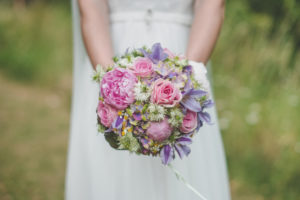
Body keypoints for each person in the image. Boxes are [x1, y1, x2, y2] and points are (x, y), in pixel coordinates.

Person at [66, 0, 231, 199]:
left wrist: (187, 77)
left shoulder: (187, 76)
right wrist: (112, 84)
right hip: (110, 51)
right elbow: (92, 12)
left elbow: (211, 5)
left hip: (185, 53)